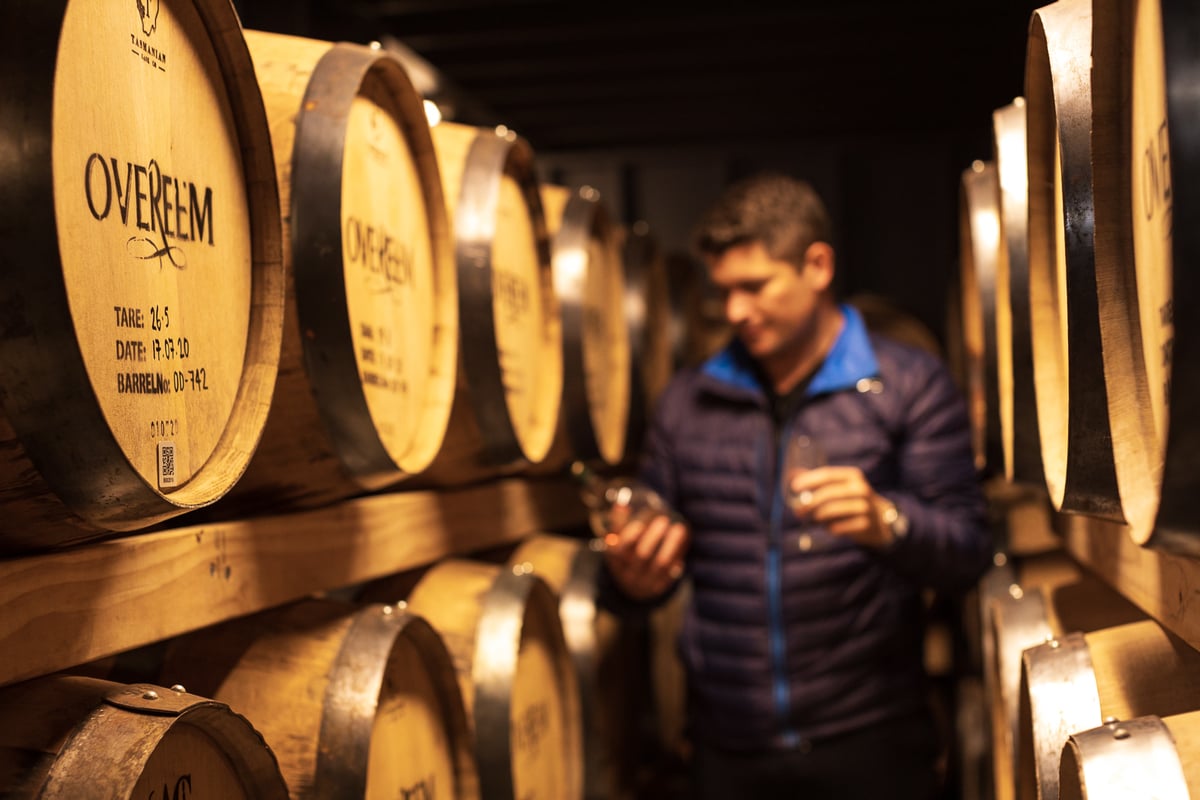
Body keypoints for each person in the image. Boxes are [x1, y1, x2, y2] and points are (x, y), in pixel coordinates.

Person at [601, 172, 991, 799]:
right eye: (723, 290)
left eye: (754, 287)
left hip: (870, 736)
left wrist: (888, 521)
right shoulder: (687, 401)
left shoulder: (909, 384)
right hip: (728, 747)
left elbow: (969, 552)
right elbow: (651, 558)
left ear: (816, 265)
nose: (734, 312)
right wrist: (631, 577)